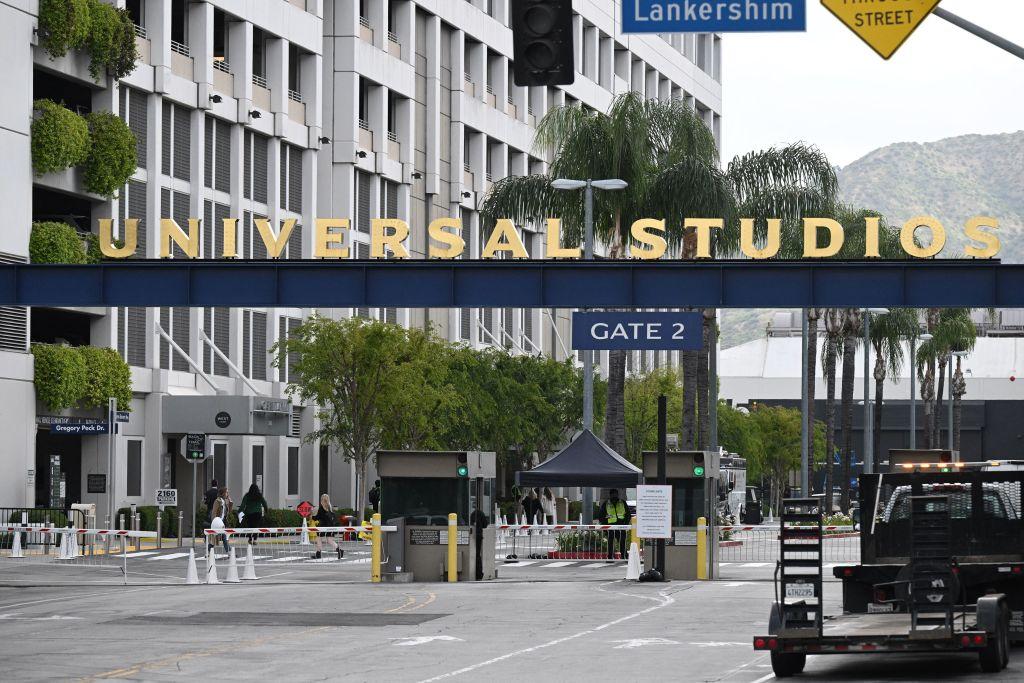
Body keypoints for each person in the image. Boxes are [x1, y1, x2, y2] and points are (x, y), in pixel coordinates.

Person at [311, 493, 344, 560]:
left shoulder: (321, 508)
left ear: (321, 500)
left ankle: (318, 553)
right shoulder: (330, 507)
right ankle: (339, 550)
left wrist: (311, 516)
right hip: (330, 526)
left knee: (318, 539)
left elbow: (317, 517)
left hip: (323, 527)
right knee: (329, 540)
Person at [600, 489, 629, 560]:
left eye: (615, 494)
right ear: (610, 495)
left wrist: (625, 524)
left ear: (617, 494)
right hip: (611, 527)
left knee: (622, 542)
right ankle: (610, 557)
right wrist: (605, 527)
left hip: (621, 527)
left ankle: (624, 556)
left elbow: (628, 515)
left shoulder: (622, 502)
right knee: (611, 542)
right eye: (613, 494)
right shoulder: (606, 504)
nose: (614, 496)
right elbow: (601, 517)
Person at [208, 486, 232, 554]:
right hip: (217, 523)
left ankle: (229, 552)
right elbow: (214, 513)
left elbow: (229, 512)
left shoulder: (225, 502)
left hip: (222, 523)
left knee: (222, 538)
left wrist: (230, 502)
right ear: (223, 493)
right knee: (216, 538)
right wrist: (214, 522)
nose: (228, 493)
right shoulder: (217, 501)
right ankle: (229, 552)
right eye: (226, 492)